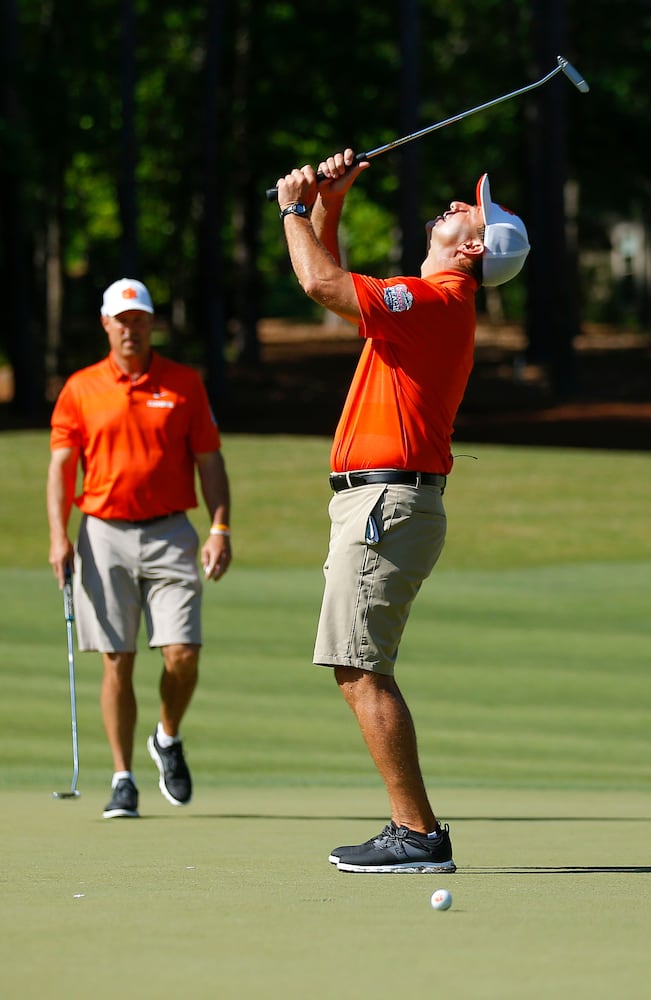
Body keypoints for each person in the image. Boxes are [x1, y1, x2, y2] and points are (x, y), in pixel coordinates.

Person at [274, 150, 529, 872]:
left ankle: (416, 834)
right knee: (357, 666)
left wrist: (294, 208)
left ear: (475, 248)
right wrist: (333, 200)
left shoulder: (436, 302)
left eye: (468, 210)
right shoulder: (420, 303)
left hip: (388, 501)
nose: (454, 204)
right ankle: (413, 830)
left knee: (359, 669)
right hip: (381, 501)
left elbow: (320, 282)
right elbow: (333, 281)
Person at [47, 278, 232, 819]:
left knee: (184, 653)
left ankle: (167, 737)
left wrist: (219, 526)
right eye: (121, 320)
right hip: (101, 533)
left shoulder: (183, 383)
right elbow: (61, 470)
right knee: (117, 660)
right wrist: (60, 536)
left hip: (172, 531)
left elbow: (210, 461)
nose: (131, 329)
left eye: (140, 319)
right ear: (106, 324)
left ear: (151, 323)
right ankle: (122, 778)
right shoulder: (80, 388)